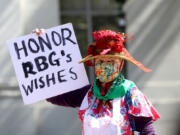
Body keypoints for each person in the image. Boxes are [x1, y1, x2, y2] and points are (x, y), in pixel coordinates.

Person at [35, 29, 160, 135]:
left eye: (110, 62)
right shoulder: (88, 93)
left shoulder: (131, 94)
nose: (105, 66)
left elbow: (147, 132)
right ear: (95, 65)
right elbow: (52, 95)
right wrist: (44, 44)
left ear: (120, 65)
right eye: (100, 62)